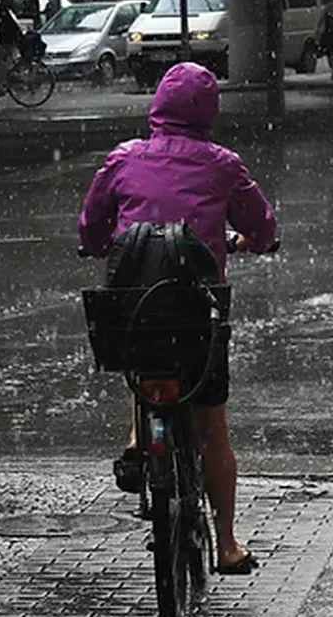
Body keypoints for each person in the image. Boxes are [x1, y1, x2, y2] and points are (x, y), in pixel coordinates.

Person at [78, 62, 277, 575]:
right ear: (208, 112)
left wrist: (97, 243)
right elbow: (261, 223)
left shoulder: (124, 157)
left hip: (134, 309)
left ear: (158, 107)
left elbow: (92, 226)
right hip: (198, 312)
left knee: (141, 347)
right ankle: (227, 544)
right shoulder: (222, 165)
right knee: (211, 426)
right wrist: (258, 239)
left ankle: (136, 439)